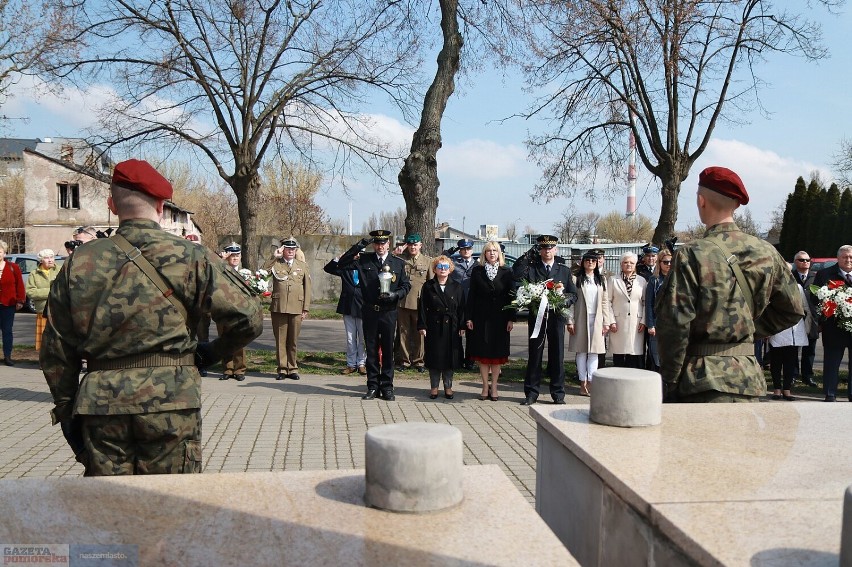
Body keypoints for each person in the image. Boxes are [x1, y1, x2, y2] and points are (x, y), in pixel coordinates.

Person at [40, 158, 263, 475]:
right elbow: (249, 319)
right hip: (170, 400)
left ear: (111, 205)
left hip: (101, 405)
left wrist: (66, 408)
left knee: (108, 509)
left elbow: (56, 348)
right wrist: (208, 353)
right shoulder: (191, 256)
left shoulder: (79, 262)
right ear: (161, 206)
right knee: (170, 507)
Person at [656, 166, 803, 402]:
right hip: (748, 379)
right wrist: (745, 330)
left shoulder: (692, 254)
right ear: (736, 205)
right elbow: (793, 310)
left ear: (701, 201)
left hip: (701, 381)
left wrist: (670, 382)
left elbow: (674, 324)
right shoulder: (767, 252)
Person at [337, 230, 411, 400]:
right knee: (371, 349)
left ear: (388, 244)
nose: (380, 246)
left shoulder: (397, 263)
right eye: (376, 243)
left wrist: (396, 295)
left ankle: (387, 387)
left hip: (389, 312)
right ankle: (372, 386)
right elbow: (342, 263)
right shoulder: (364, 260)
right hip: (370, 311)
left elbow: (406, 286)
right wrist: (360, 245)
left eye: (383, 243)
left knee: (387, 350)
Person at [516, 235, 577, 405]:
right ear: (540, 250)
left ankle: (558, 394)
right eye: (544, 248)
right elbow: (520, 281)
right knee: (535, 355)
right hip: (537, 318)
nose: (547, 251)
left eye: (550, 248)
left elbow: (573, 293)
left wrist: (564, 300)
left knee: (557, 355)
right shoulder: (532, 269)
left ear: (556, 249)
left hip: (556, 318)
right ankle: (531, 393)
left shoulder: (563, 270)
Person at [465, 241, 515, 401]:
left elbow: (511, 296)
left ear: (499, 253)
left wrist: (511, 318)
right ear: (484, 254)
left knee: (496, 354)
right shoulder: (477, 271)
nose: (492, 253)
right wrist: (469, 317)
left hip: (500, 319)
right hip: (481, 318)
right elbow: (471, 295)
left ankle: (494, 386)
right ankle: (484, 386)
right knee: (483, 354)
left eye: (495, 250)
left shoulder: (507, 271)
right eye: (489, 251)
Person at [418, 256, 465, 400]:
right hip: (434, 326)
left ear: (450, 269)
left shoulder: (457, 286)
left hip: (452, 326)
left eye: (445, 267)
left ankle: (448, 387)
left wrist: (462, 326)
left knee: (449, 358)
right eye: (440, 267)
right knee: (434, 357)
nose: (443, 270)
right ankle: (434, 388)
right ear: (435, 269)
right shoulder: (428, 286)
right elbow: (422, 308)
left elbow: (462, 308)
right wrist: (422, 325)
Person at [264, 237, 312, 381]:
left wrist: (306, 308)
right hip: (279, 307)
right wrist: (274, 256)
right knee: (280, 340)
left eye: (293, 248)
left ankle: (293, 368)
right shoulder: (276, 264)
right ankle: (282, 369)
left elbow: (307, 288)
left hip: (297, 307)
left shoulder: (302, 265)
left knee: (293, 341)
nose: (291, 251)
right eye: (287, 248)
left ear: (296, 250)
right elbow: (263, 272)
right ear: (282, 249)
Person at [567, 251, 614, 396]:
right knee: (581, 351)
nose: (590, 263)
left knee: (594, 352)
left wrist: (607, 322)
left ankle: (591, 382)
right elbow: (571, 303)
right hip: (581, 318)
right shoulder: (576, 279)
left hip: (597, 319)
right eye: (587, 260)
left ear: (597, 263)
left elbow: (605, 302)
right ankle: (582, 383)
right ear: (583, 262)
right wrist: (570, 321)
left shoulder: (601, 280)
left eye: (593, 261)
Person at [812, 245, 852, 402]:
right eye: (845, 257)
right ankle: (830, 393)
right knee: (831, 362)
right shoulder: (825, 274)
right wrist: (830, 312)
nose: (848, 259)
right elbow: (815, 299)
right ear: (838, 258)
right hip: (833, 328)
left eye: (850, 257)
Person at [324, 252, 367, 376]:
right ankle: (351, 364)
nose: (357, 257)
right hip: (347, 306)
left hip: (362, 307)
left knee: (363, 338)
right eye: (355, 254)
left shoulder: (366, 269)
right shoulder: (345, 268)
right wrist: (338, 258)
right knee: (350, 338)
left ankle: (362, 364)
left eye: (360, 255)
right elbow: (328, 268)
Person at [395, 233, 432, 373]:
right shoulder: (400, 260)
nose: (413, 247)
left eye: (415, 245)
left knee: (420, 333)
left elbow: (430, 284)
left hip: (419, 303)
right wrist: (395, 252)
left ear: (420, 245)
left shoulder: (427, 261)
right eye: (410, 245)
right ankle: (405, 361)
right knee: (403, 332)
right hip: (403, 302)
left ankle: (419, 361)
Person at [768, 283, 811, 401]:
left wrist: (807, 326)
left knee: (790, 361)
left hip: (794, 328)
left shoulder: (797, 287)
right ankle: (776, 388)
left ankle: (787, 389)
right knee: (776, 361)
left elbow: (804, 307)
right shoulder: (773, 285)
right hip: (776, 327)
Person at [607, 252, 646, 369]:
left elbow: (644, 302)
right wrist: (611, 321)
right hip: (618, 323)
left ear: (635, 265)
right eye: (625, 262)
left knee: (633, 355)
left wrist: (644, 320)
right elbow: (607, 301)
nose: (628, 265)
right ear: (621, 264)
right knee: (618, 355)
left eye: (631, 263)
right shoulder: (613, 280)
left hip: (636, 323)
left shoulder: (642, 281)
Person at [445, 238, 477, 370]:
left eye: (468, 249)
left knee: (472, 333)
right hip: (457, 301)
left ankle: (470, 360)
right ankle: (457, 359)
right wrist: (450, 251)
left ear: (472, 250)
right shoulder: (454, 263)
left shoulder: (478, 265)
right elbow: (442, 259)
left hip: (472, 302)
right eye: (463, 249)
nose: (466, 251)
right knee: (456, 331)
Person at [218, 242, 248, 381]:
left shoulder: (245, 273)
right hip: (224, 311)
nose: (235, 258)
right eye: (232, 255)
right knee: (224, 340)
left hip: (240, 313)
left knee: (239, 341)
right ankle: (227, 369)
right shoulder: (220, 271)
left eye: (237, 255)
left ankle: (239, 369)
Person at [791, 251, 819, 387]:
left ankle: (807, 376)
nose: (805, 262)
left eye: (808, 260)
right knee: (794, 348)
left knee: (810, 349)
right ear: (795, 262)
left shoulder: (816, 278)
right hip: (795, 318)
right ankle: (793, 375)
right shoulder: (790, 278)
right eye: (802, 260)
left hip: (812, 319)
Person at [26, 249, 60, 351]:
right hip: (42, 311)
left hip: (59, 311)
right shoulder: (34, 274)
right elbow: (30, 292)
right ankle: (44, 362)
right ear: (41, 260)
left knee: (58, 340)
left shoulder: (61, 270)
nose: (50, 260)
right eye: (46, 258)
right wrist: (51, 291)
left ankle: (59, 362)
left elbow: (65, 289)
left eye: (51, 257)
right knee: (44, 340)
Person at [644, 248, 673, 373]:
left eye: (671, 262)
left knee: (671, 359)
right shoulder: (654, 280)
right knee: (657, 359)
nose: (669, 265)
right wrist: (650, 324)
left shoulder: (678, 279)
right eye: (665, 262)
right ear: (659, 263)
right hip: (658, 324)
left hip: (674, 325)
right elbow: (649, 304)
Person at [0, 240, 25, 366]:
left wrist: (20, 300)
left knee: (7, 331)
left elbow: (20, 285)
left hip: (8, 305)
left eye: (0, 252)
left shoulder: (13, 267)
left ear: (4, 253)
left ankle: (7, 356)